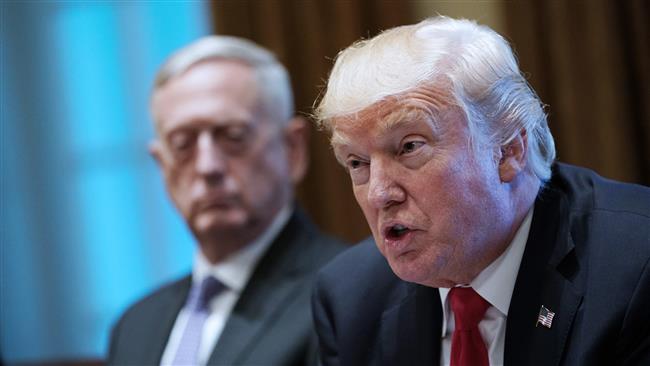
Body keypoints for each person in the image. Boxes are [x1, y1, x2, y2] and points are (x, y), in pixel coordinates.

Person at [311, 16, 650, 366]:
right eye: (356, 163)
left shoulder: (636, 265)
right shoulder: (349, 300)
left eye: (409, 146)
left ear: (508, 149)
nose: (379, 194)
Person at [107, 36, 344, 366]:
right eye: (182, 144)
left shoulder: (344, 296)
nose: (208, 166)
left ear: (292, 150)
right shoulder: (135, 326)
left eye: (233, 137)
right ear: (162, 165)